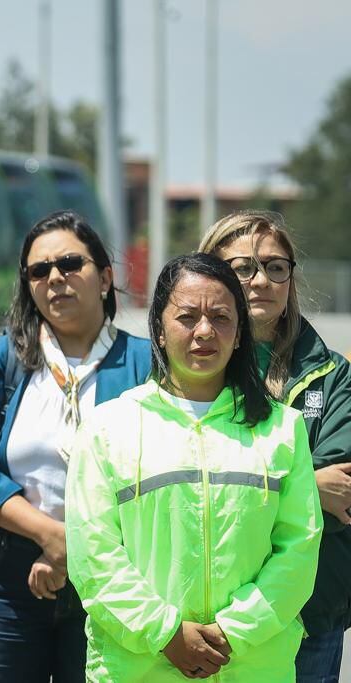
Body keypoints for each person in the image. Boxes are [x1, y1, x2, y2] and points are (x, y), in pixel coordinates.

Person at [65, 252, 323, 681]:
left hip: (252, 666)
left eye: (221, 318)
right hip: (141, 667)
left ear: (240, 334)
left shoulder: (282, 429)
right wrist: (165, 634)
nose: (205, 331)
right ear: (160, 331)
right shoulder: (108, 428)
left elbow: (299, 550)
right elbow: (94, 556)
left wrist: (233, 633)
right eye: (187, 317)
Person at [0, 210, 151, 682]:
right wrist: (51, 536)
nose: (55, 279)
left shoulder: (146, 362)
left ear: (104, 277)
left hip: (115, 579)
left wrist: (77, 548)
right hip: (6, 581)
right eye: (39, 271)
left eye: (69, 264)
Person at [199, 210, 351, 682]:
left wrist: (238, 476)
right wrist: (306, 482)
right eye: (242, 268)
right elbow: (181, 468)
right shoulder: (187, 374)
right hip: (206, 610)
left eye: (275, 266)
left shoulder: (334, 374)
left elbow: (341, 488)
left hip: (307, 612)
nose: (261, 280)